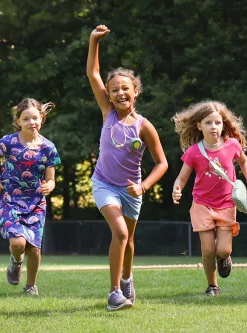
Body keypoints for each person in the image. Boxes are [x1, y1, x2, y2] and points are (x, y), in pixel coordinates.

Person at [87, 24, 168, 311]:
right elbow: (93, 74)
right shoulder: (107, 113)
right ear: (108, 95)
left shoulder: (144, 126)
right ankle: (113, 294)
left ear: (135, 92)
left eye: (125, 88)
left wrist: (143, 186)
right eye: (114, 90)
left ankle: (126, 277)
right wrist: (94, 42)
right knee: (120, 234)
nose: (120, 93)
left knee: (129, 240)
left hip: (132, 190)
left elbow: (162, 163)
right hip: (104, 184)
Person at [171, 101, 247, 296]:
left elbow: (246, 164)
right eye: (208, 123)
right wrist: (177, 189)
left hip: (227, 203)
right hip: (202, 204)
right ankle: (213, 286)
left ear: (223, 124)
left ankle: (224, 259)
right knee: (208, 249)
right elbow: (182, 177)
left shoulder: (232, 145)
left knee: (224, 250)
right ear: (199, 126)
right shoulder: (194, 151)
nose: (214, 127)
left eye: (218, 122)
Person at [0, 98, 61, 296]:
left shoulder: (48, 148)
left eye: (35, 118)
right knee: (18, 243)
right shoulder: (9, 143)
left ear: (42, 118)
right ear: (18, 121)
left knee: (34, 248)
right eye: (26, 119)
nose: (31, 122)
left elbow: (51, 179)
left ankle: (30, 286)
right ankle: (16, 262)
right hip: (8, 198)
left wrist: (49, 186)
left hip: (35, 202)